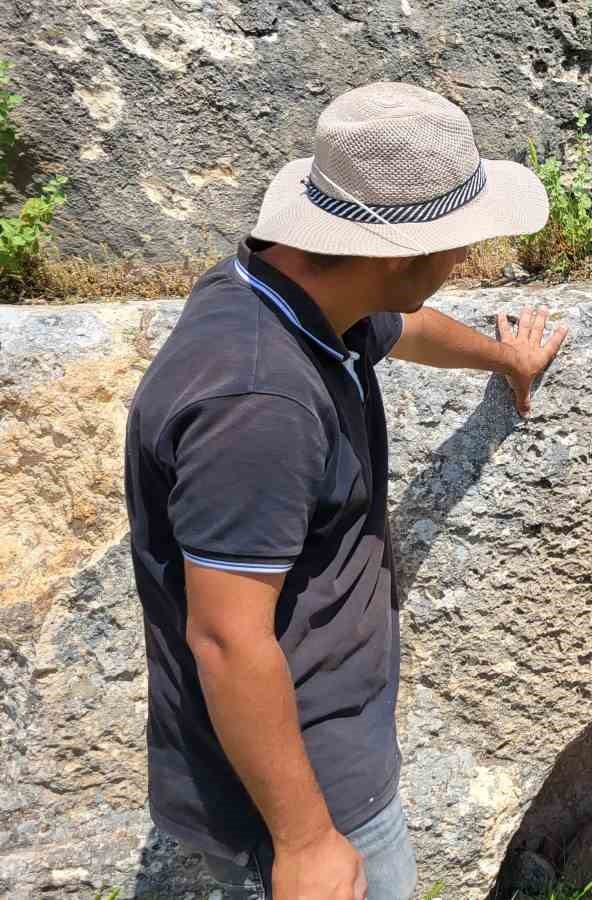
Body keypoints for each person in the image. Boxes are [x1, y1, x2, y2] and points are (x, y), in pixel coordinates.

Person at [124, 82, 569, 900]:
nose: (465, 260)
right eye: (457, 242)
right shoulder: (257, 402)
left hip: (325, 750)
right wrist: (306, 840)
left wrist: (505, 360)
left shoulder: (295, 294)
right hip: (304, 786)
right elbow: (226, 640)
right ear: (398, 253)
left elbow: (403, 327)